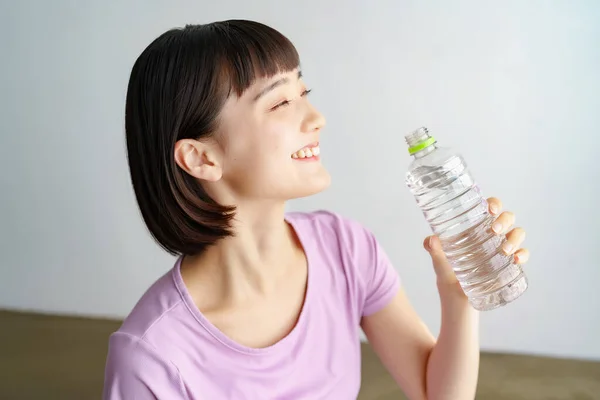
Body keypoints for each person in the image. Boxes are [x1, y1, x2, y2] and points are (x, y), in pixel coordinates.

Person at [102, 20, 529, 400]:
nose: (317, 118)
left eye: (303, 92)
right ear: (200, 159)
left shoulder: (344, 249)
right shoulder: (151, 357)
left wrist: (459, 295)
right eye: (280, 103)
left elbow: (436, 393)